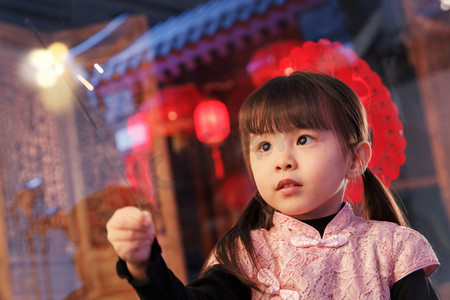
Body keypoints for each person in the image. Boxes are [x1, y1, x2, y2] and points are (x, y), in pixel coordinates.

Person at [106, 71, 440, 299]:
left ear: (355, 159)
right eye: (264, 147)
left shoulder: (395, 248)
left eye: (304, 138)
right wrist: (142, 262)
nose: (283, 160)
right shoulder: (245, 255)